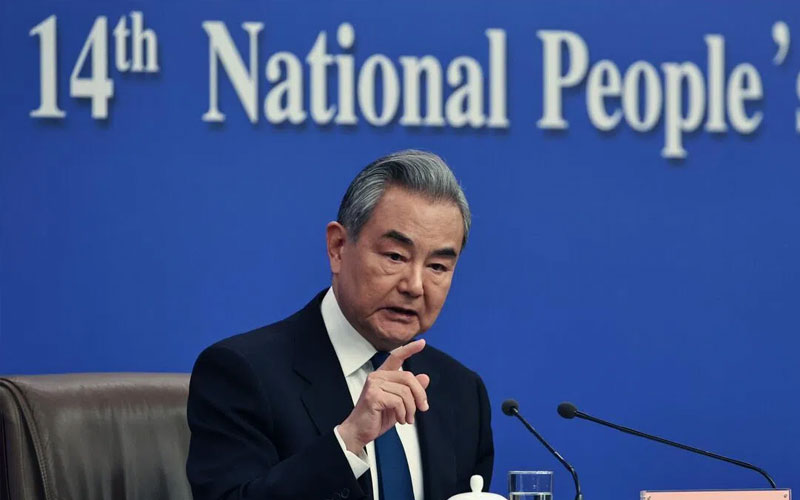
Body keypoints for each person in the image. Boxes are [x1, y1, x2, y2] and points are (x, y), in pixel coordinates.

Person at [186, 150, 494, 500]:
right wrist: (347, 442)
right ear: (338, 248)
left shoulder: (462, 393)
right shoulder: (242, 373)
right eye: (395, 256)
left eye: (437, 266)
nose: (414, 286)